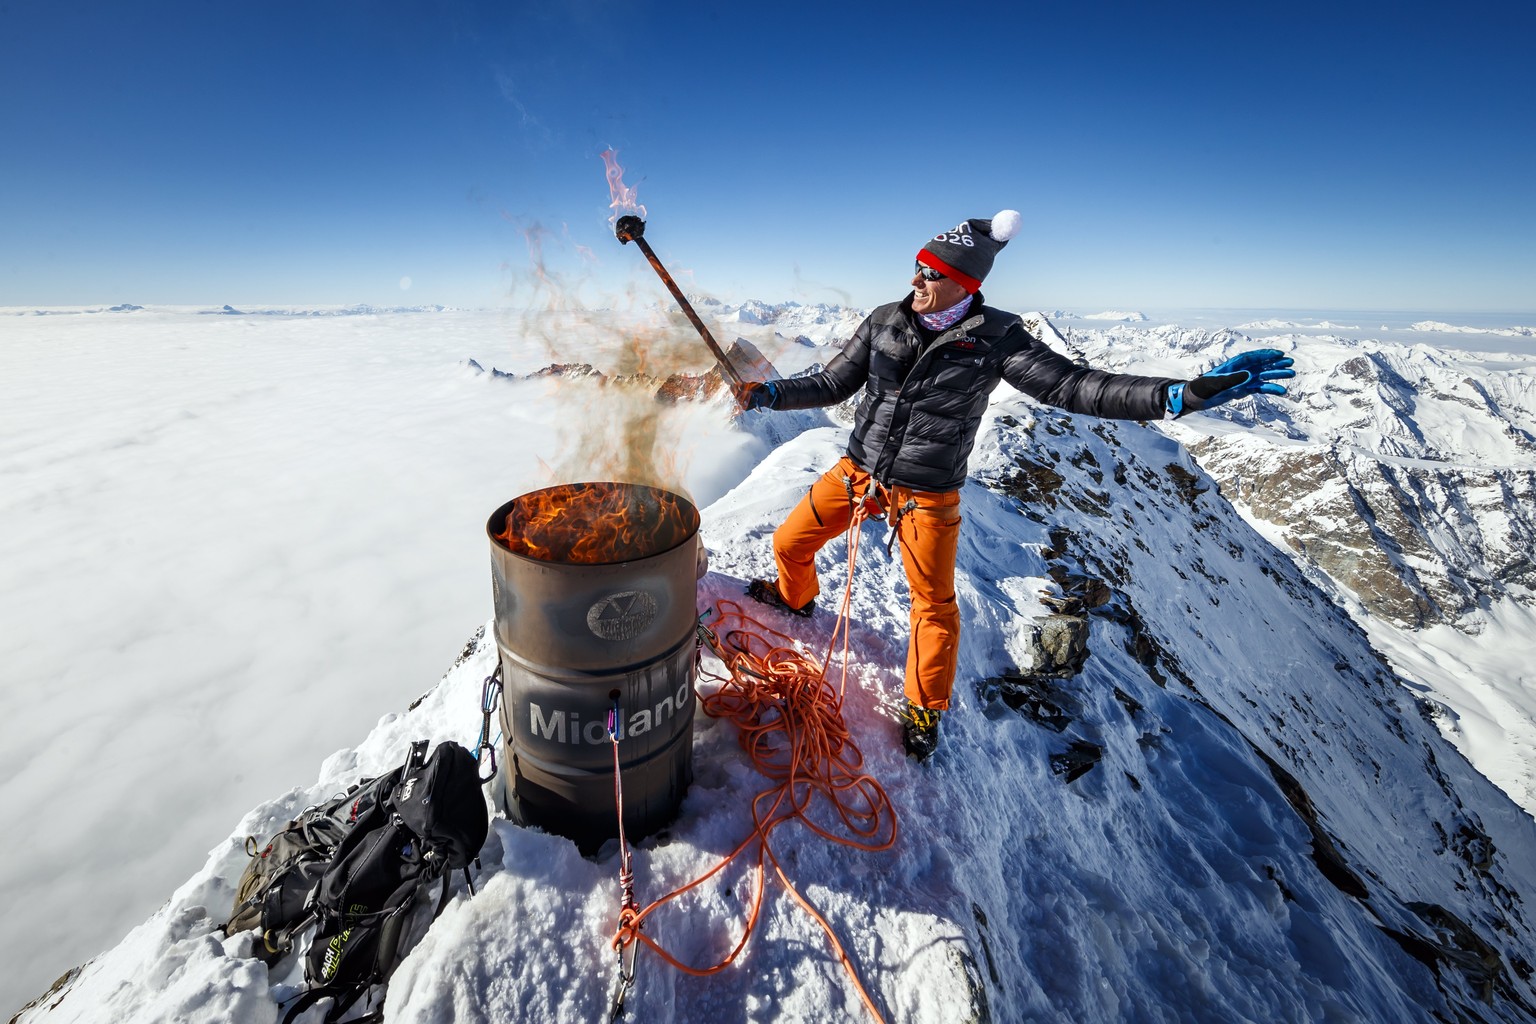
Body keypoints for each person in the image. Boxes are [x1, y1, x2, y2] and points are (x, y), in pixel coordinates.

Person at [736, 210, 1293, 761]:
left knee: (933, 606)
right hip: (859, 471)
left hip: (928, 492)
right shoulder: (885, 320)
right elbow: (835, 380)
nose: (915, 280)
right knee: (791, 543)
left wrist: (1179, 396)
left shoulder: (997, 337)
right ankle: (796, 597)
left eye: (929, 273)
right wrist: (772, 395)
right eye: (915, 267)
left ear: (964, 284)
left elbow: (1075, 387)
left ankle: (925, 706)